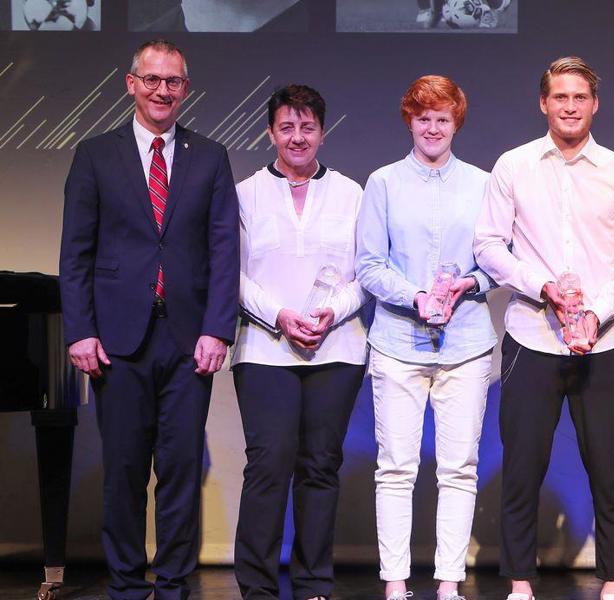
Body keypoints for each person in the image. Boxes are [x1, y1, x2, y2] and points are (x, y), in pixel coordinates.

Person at [58, 39, 239, 599]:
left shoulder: (211, 156)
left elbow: (224, 249)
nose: (164, 91)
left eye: (174, 82)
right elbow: (75, 253)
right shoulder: (94, 154)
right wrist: (80, 330)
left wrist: (217, 328)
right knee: (125, 474)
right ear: (131, 83)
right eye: (153, 80)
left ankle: (177, 586)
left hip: (188, 340)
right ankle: (127, 588)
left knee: (181, 472)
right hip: (117, 339)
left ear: (185, 89)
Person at [473, 56, 614, 600]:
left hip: (605, 341)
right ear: (543, 103)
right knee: (522, 468)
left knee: (608, 468)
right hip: (532, 335)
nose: (569, 107)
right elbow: (487, 245)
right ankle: (521, 584)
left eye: (579, 97)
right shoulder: (514, 166)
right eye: (559, 97)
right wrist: (540, 286)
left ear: (594, 105)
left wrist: (596, 309)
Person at [355, 75, 496, 600]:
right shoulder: (383, 182)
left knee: (459, 468)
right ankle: (395, 582)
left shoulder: (483, 184)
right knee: (396, 468)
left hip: (465, 344)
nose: (433, 128)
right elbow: (369, 266)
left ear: (456, 122)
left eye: (443, 118)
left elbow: (498, 263)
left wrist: (471, 283)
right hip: (397, 341)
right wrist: (415, 296)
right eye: (423, 118)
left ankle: (449, 583)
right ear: (409, 121)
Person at [231, 84, 370, 600]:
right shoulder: (244, 193)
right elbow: (233, 273)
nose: (297, 137)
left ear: (322, 132)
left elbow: (367, 272)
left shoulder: (352, 193)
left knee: (320, 465)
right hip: (265, 349)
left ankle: (313, 583)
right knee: (268, 464)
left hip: (336, 350)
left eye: (307, 127)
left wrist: (331, 312)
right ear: (270, 132)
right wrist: (281, 316)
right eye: (286, 127)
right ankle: (258, 587)